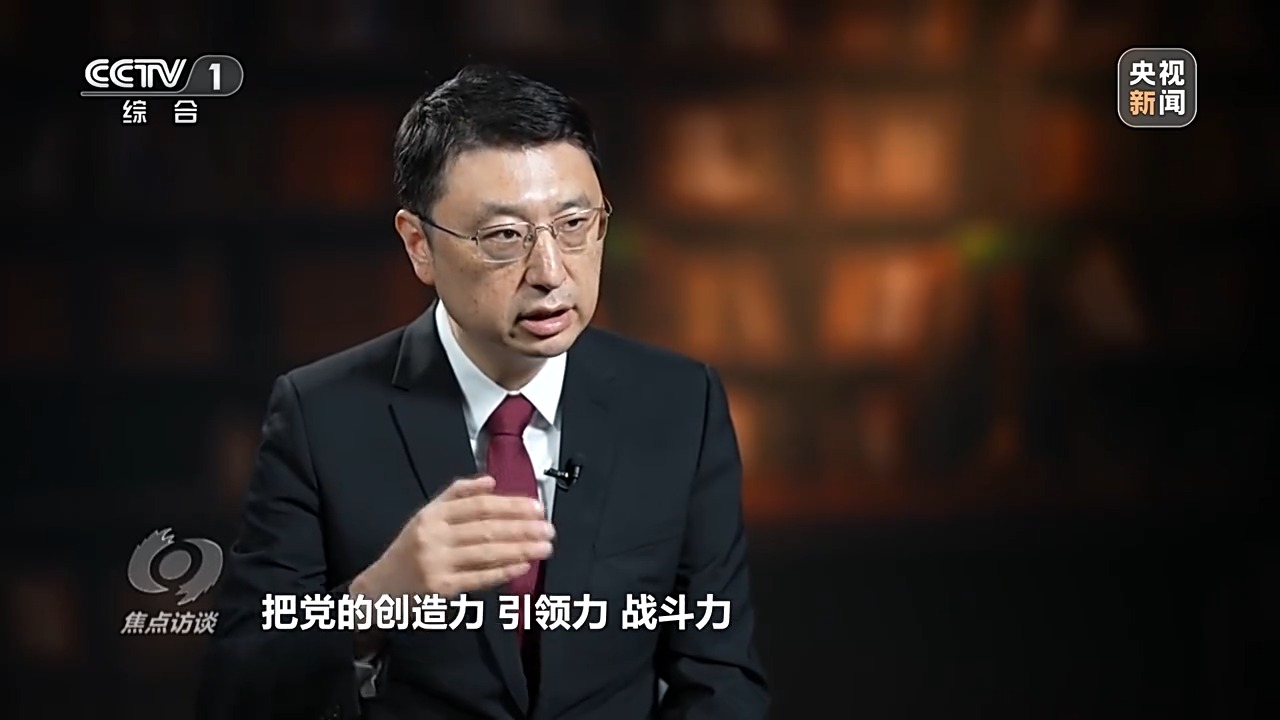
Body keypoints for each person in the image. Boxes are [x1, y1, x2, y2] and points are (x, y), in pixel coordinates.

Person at [197, 64, 769, 720]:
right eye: (504, 237)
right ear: (419, 245)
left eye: (575, 224)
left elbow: (720, 678)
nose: (550, 272)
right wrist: (373, 601)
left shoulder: (680, 403)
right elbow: (235, 692)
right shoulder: (318, 415)